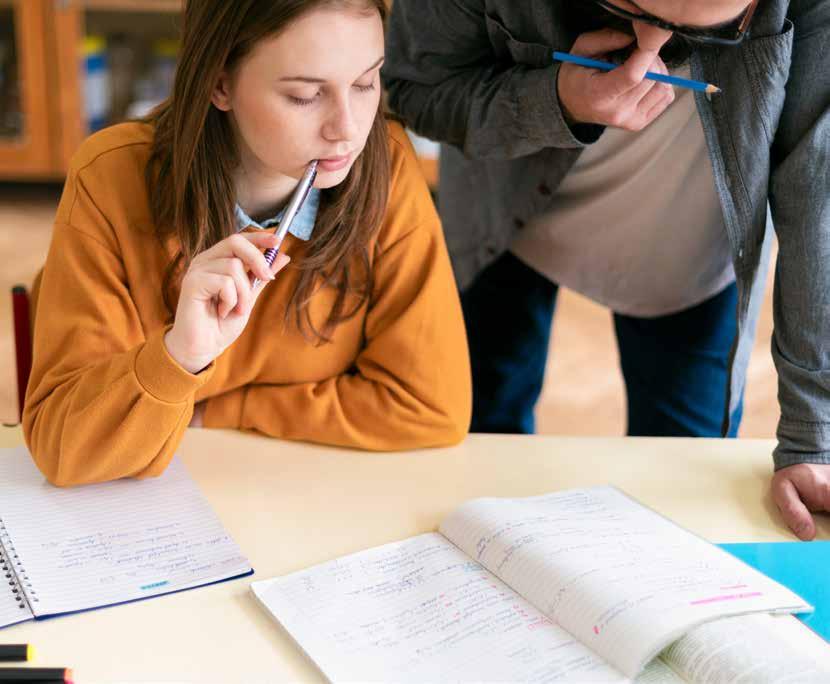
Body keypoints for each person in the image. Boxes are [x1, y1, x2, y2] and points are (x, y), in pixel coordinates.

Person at [382, 0, 830, 539]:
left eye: (703, 33)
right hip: (500, 225)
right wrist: (556, 100)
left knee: (679, 501)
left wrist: (814, 434)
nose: (648, 52)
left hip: (690, 261)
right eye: (628, 7)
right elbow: (415, 90)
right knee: (478, 440)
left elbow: (819, 195)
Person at [23, 0, 471, 487]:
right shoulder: (110, 176)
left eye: (366, 83)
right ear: (220, 83)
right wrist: (179, 357)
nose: (348, 128)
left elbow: (431, 407)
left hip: (299, 495)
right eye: (304, 95)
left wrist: (222, 406)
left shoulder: (389, 166)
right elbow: (65, 449)